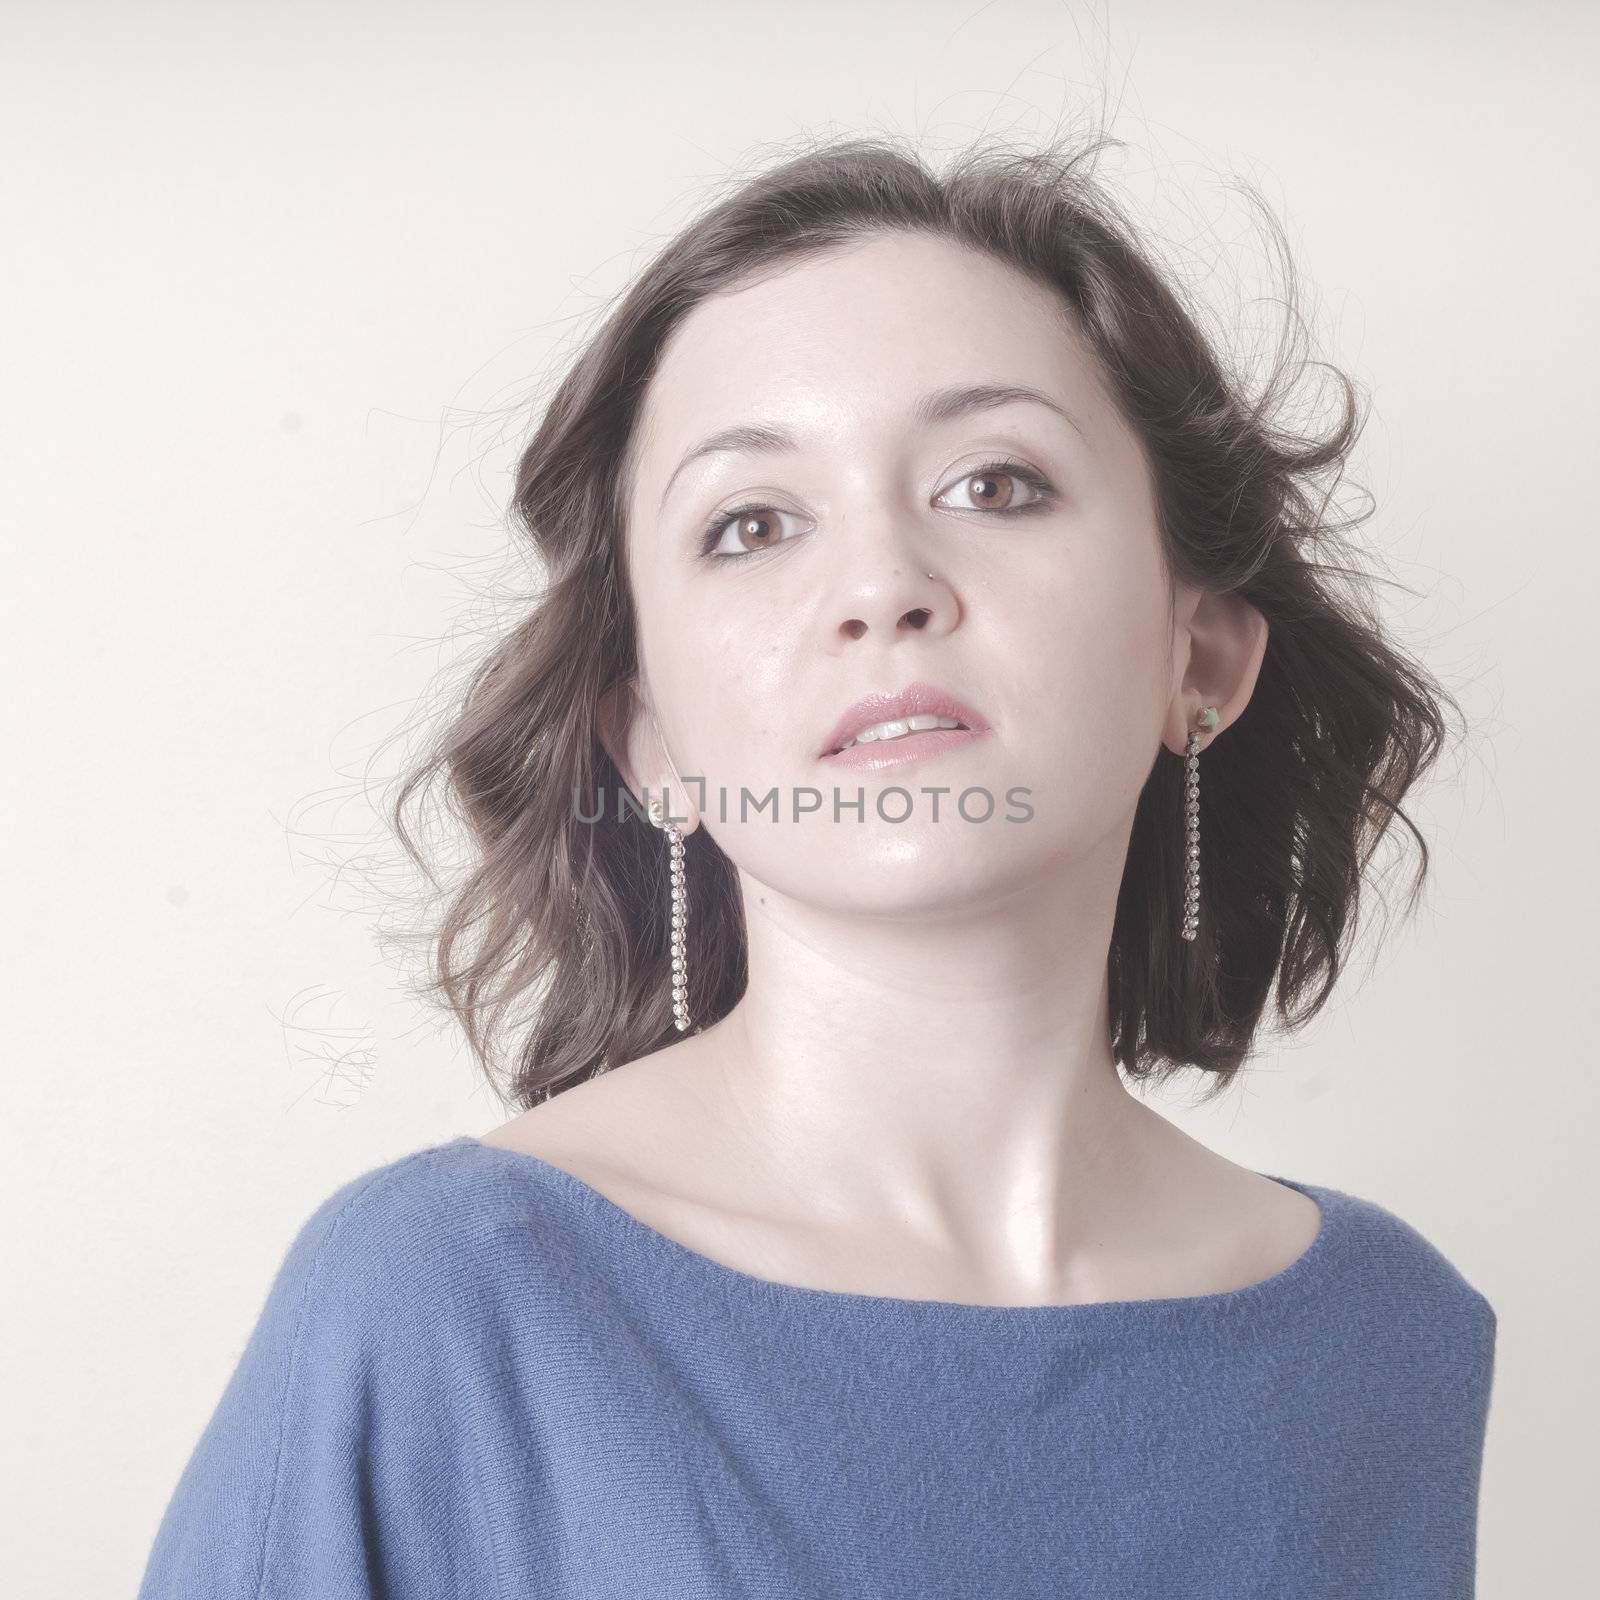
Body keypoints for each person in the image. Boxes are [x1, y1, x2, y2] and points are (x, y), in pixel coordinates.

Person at [137, 132, 1496, 1598]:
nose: (881, 588)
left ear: (1201, 655)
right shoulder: (443, 1303)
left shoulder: (1389, 1343)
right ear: (646, 736)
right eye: (752, 524)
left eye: (995, 484)